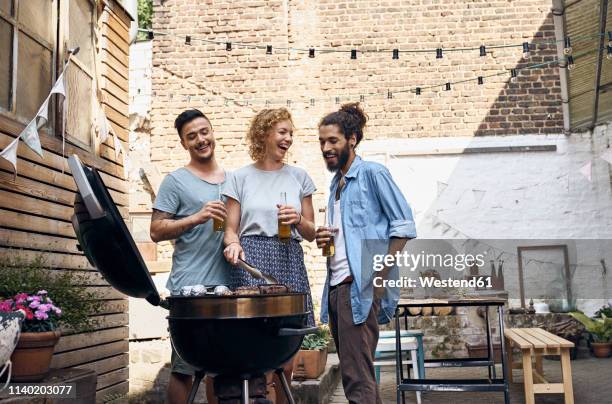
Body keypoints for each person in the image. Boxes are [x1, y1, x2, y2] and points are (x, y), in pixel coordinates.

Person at [315, 103, 416, 404]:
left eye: (332, 140)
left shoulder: (373, 173)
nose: (326, 147)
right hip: (336, 287)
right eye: (321, 142)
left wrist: (379, 279)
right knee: (354, 374)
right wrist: (325, 241)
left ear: (352, 139)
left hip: (359, 286)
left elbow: (403, 227)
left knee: (358, 378)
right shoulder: (336, 184)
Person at [223, 108, 316, 403]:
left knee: (288, 339)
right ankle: (256, 397)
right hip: (251, 263)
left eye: (291, 133)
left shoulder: (300, 177)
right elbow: (229, 230)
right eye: (282, 132)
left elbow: (313, 232)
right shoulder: (239, 178)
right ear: (264, 133)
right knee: (253, 341)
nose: (288, 138)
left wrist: (298, 220)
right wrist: (233, 245)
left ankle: (280, 395)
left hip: (287, 257)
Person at [150, 109, 228, 404]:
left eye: (204, 132)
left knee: (220, 370)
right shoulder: (176, 181)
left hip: (227, 287)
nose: (200, 140)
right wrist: (197, 217)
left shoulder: (231, 180)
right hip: (189, 287)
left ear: (212, 132)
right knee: (184, 368)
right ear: (184, 143)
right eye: (191, 136)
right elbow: (156, 230)